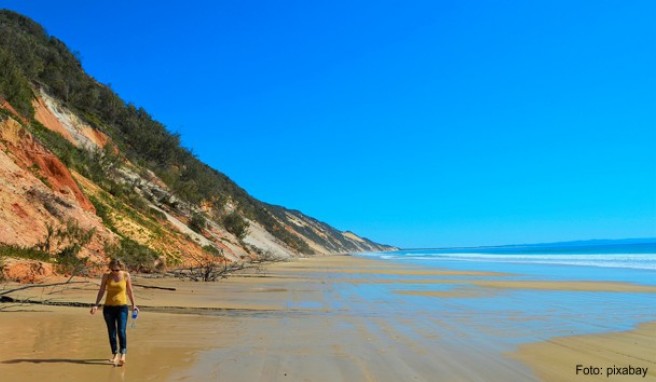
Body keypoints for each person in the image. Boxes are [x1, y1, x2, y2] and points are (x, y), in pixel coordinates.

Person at [90, 259, 138, 366]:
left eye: (116, 270)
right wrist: (96, 304)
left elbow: (129, 291)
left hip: (122, 308)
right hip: (108, 308)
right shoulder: (106, 276)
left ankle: (123, 354)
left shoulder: (126, 275)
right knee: (111, 332)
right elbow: (102, 290)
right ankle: (115, 354)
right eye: (112, 269)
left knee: (121, 331)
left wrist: (134, 305)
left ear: (120, 267)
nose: (114, 272)